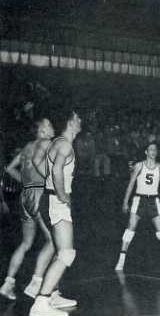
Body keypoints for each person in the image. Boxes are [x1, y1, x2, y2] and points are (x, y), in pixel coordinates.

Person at [29, 109, 82, 316]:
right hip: (56, 202)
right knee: (67, 254)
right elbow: (57, 169)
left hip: (50, 198)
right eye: (77, 119)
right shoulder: (65, 144)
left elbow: (40, 164)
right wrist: (61, 194)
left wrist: (52, 186)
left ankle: (51, 296)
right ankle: (40, 304)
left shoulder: (57, 143)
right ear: (70, 123)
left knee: (60, 251)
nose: (80, 121)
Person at [0, 118, 55, 300]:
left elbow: (8, 169)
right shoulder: (47, 143)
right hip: (39, 195)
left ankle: (8, 284)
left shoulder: (27, 147)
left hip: (25, 195)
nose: (52, 127)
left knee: (26, 243)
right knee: (54, 241)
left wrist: (27, 182)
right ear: (41, 130)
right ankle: (38, 283)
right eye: (48, 125)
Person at [115, 143, 160, 271]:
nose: (153, 151)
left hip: (153, 199)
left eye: (155, 149)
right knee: (130, 229)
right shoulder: (139, 166)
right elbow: (131, 184)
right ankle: (121, 260)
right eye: (151, 149)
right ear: (146, 152)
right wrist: (125, 201)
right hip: (139, 199)